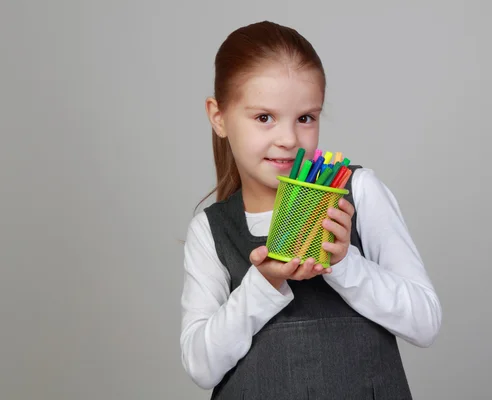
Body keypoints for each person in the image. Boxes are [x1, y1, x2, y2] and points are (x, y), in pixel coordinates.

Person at [180, 20, 442, 399]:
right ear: (218, 117)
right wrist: (263, 285)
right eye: (264, 117)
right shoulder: (212, 231)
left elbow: (425, 322)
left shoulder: (359, 192)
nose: (288, 139)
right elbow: (201, 366)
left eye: (305, 118)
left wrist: (345, 263)